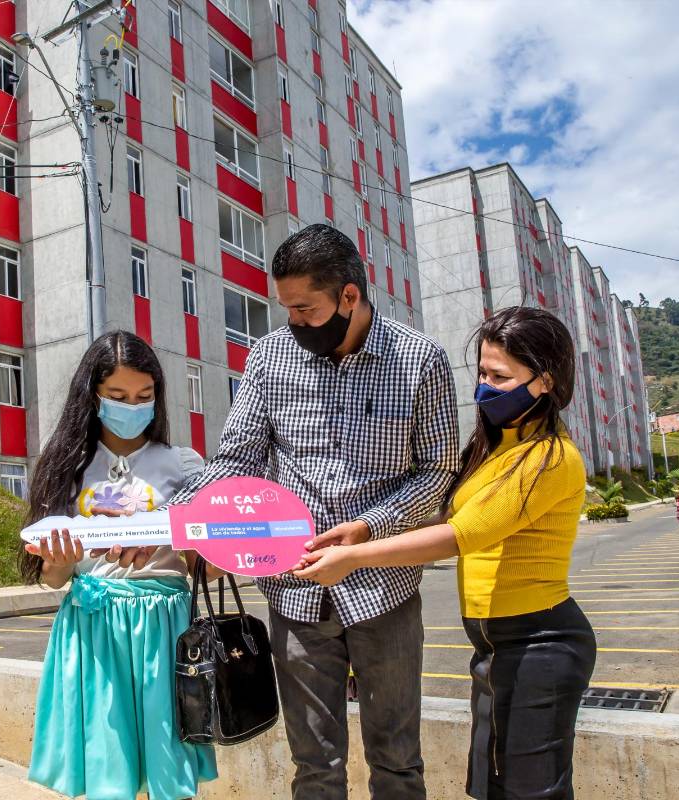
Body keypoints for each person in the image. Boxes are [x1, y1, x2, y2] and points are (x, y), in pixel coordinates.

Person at [100, 224, 460, 799]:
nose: (292, 321)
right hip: (295, 595)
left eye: (303, 308)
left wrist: (368, 529)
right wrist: (168, 524)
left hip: (384, 591)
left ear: (348, 296)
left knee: (397, 760)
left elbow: (438, 475)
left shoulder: (420, 361)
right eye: (285, 307)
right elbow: (235, 460)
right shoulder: (270, 358)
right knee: (315, 764)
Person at [296, 306, 597, 800]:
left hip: (539, 644)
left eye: (500, 376)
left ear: (544, 382)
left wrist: (354, 559)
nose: (484, 386)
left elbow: (464, 534)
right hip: (494, 647)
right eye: (481, 371)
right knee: (490, 786)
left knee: (531, 791)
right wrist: (364, 532)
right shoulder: (495, 445)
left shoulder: (551, 458)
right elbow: (451, 516)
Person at [18, 331, 217, 800]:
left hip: (166, 630)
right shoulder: (65, 466)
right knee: (107, 763)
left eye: (144, 396)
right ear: (93, 396)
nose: (133, 406)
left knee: (170, 761)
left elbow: (206, 565)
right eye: (118, 396)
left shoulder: (183, 463)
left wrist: (177, 536)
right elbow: (52, 579)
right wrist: (59, 564)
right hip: (92, 627)